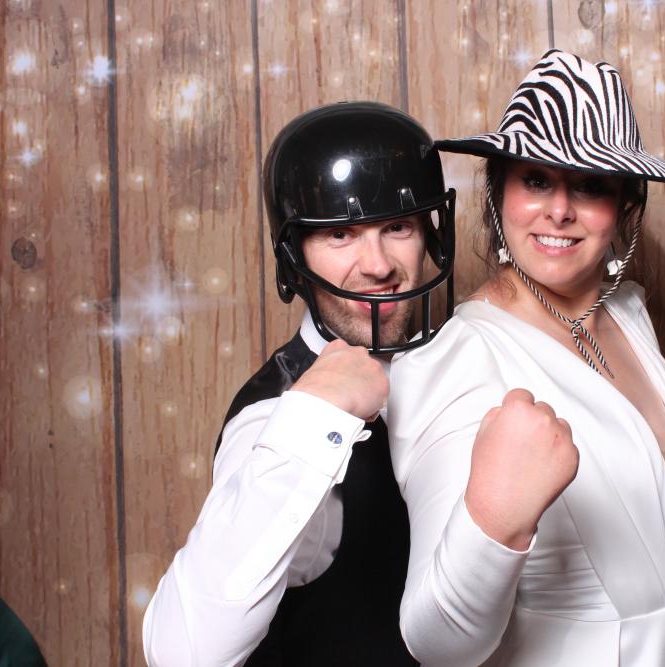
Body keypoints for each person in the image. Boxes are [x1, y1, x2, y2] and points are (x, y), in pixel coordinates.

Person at [387, 50, 665, 666]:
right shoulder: (458, 361)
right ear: (499, 193)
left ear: (625, 206)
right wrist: (494, 519)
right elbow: (436, 641)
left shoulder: (627, 315)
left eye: (589, 184)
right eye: (536, 180)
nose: (559, 210)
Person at [143, 101, 455, 666]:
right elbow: (186, 653)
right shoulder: (269, 417)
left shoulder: (454, 363)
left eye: (397, 227)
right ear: (295, 255)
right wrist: (316, 414)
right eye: (340, 234)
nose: (378, 265)